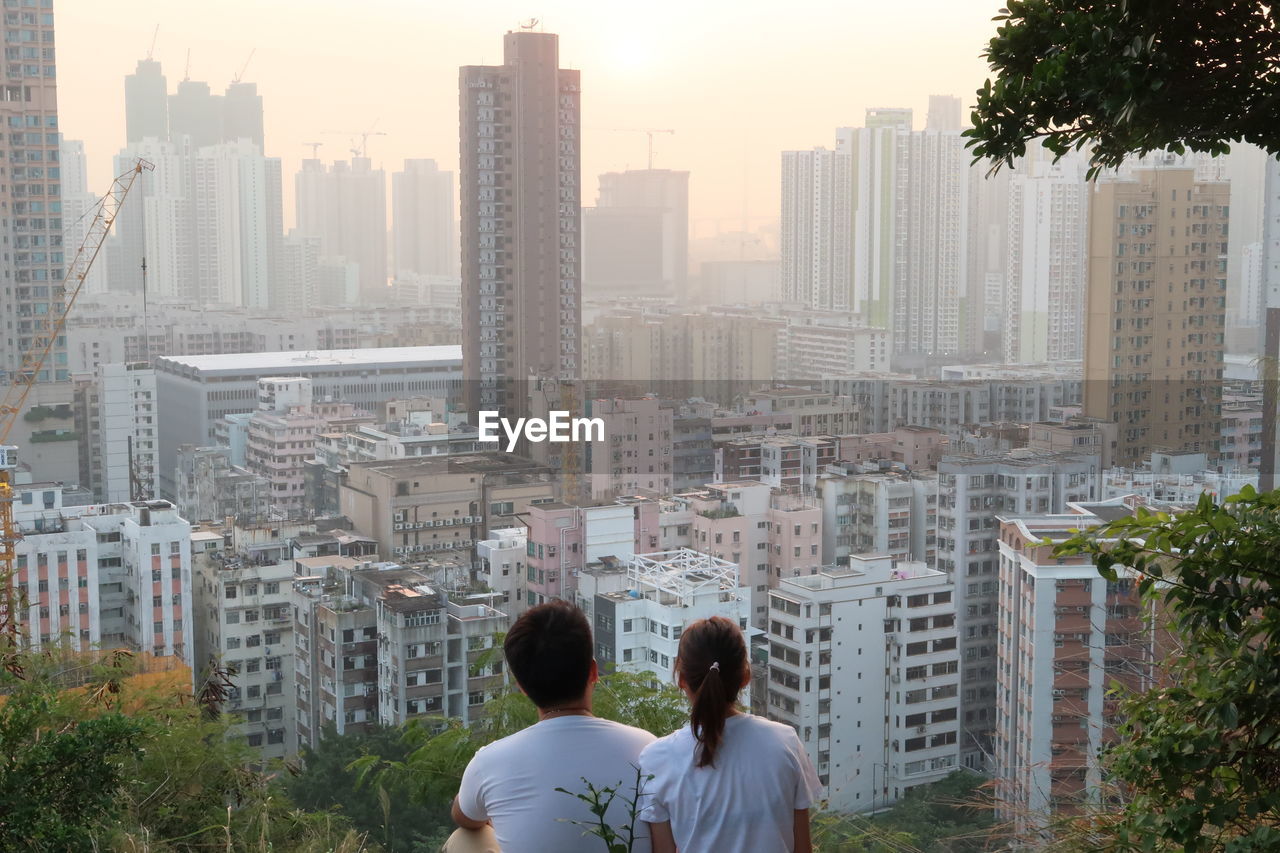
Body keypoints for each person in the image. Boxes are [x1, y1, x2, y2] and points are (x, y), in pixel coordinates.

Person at [446, 600, 656, 853]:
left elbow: (464, 816)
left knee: (464, 839)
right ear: (593, 671)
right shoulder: (647, 748)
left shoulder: (490, 761)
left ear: (522, 686)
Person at [638, 616, 822, 853]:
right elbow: (802, 848)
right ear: (746, 676)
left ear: (681, 679)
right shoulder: (785, 743)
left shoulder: (657, 759)